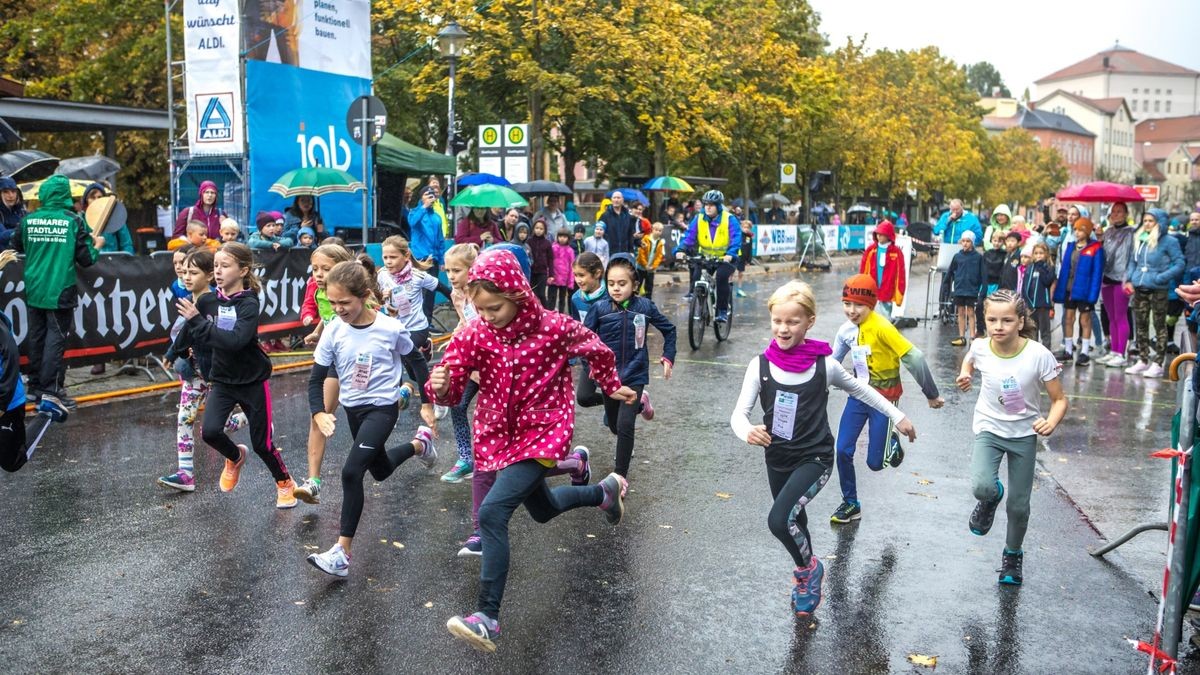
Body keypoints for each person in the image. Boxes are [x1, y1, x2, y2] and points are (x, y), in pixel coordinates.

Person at [429, 249, 637, 653]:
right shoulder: (474, 332)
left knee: (491, 512)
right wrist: (441, 387)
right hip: (496, 436)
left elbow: (597, 349)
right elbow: (452, 386)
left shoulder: (553, 327)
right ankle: (603, 492)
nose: (488, 315)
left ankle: (487, 616)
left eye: (495, 307)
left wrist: (610, 384)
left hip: (543, 433)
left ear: (519, 294)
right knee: (542, 510)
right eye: (481, 308)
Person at [730, 280, 917, 616]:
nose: (783, 329)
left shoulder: (824, 365)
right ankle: (807, 575)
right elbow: (738, 414)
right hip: (777, 457)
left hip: (815, 458)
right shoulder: (759, 366)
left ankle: (808, 571)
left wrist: (898, 415)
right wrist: (746, 431)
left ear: (810, 322)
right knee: (794, 519)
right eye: (777, 321)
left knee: (778, 520)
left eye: (792, 322)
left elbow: (864, 391)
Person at [305, 261, 436, 577]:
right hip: (353, 408)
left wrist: (427, 401)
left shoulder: (390, 328)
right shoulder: (334, 329)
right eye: (333, 302)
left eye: (344, 302)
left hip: (382, 407)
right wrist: (319, 413)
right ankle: (421, 445)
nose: (338, 309)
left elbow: (416, 361)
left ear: (363, 296)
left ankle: (342, 554)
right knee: (379, 469)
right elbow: (315, 379)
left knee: (352, 472)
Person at [174, 242, 297, 508]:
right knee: (209, 432)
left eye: (225, 266)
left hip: (252, 380)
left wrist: (197, 322)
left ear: (243, 270)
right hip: (222, 380)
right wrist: (176, 351)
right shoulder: (208, 300)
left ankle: (285, 482)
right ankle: (235, 456)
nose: (218, 271)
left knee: (262, 444)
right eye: (216, 266)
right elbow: (188, 332)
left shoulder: (249, 303)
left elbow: (235, 341)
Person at [958, 289, 1068, 586]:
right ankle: (991, 497)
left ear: (1020, 321)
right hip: (989, 428)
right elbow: (970, 359)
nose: (998, 326)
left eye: (1007, 320)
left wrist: (1052, 422)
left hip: (1024, 434)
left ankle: (1012, 556)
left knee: (1019, 506)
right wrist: (965, 373)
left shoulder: (1038, 355)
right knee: (981, 485)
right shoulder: (981, 347)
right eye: (992, 319)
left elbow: (1059, 399)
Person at [829, 275, 941, 523]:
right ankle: (850, 503)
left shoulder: (883, 328)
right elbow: (831, 363)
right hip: (859, 395)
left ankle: (892, 441)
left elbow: (916, 358)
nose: (852, 310)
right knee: (842, 450)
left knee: (875, 464)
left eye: (859, 305)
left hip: (885, 399)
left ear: (873, 304)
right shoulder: (845, 331)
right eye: (847, 303)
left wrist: (931, 394)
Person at [294, 245, 380, 505]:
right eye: (315, 268)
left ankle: (401, 393)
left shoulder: (357, 296)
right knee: (319, 414)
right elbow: (329, 317)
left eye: (326, 269)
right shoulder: (322, 293)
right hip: (333, 360)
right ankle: (313, 482)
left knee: (370, 412)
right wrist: (318, 332)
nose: (319, 275)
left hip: (361, 359)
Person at [157, 248, 249, 491]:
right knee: (184, 419)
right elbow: (186, 333)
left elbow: (223, 336)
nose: (186, 277)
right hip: (193, 373)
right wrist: (173, 353)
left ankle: (252, 417)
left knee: (215, 425)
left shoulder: (215, 303)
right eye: (184, 271)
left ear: (209, 276)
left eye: (193, 272)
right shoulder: (189, 300)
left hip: (217, 374)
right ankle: (186, 474)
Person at [13, 175, 103, 409]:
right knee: (55, 340)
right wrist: (97, 246)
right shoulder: (73, 220)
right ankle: (51, 390)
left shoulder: (28, 219)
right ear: (64, 194)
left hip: (34, 288)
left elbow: (17, 244)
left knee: (37, 337)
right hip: (60, 289)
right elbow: (86, 259)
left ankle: (34, 387)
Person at [583, 254, 676, 479]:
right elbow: (584, 339)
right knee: (614, 423)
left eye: (622, 284)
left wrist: (668, 356)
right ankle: (641, 405)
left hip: (635, 374)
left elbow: (670, 330)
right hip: (609, 377)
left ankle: (619, 478)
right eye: (611, 283)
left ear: (635, 285)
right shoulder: (600, 309)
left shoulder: (645, 306)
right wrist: (591, 366)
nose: (616, 289)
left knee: (625, 425)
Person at [377, 236, 440, 430]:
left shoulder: (418, 276)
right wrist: (382, 297)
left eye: (392, 257)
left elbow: (442, 288)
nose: (388, 261)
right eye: (385, 257)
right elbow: (376, 300)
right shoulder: (382, 275)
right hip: (394, 327)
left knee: (408, 357)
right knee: (412, 370)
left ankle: (426, 403)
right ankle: (433, 387)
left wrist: (461, 303)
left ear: (406, 256)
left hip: (417, 327)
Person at [0, 305, 69, 473]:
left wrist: (2, 402)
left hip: (8, 401)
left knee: (12, 462)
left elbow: (11, 355)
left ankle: (47, 413)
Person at [1124, 209, 1184, 379]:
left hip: (1158, 288)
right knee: (1140, 325)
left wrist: (1161, 277)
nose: (1147, 224)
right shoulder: (1139, 238)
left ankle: (1158, 362)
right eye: (1145, 220)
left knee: (1159, 325)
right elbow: (1132, 261)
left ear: (1160, 223)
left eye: (1151, 220)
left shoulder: (1169, 241)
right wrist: (1130, 278)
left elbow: (1179, 263)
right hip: (1140, 287)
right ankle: (1143, 359)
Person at [442, 243, 481, 485]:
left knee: (500, 412)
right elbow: (466, 321)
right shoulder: (457, 295)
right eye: (447, 271)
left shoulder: (483, 292)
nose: (451, 276)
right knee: (457, 404)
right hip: (471, 360)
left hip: (493, 361)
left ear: (471, 269)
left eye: (456, 270)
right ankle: (466, 458)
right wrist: (454, 337)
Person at [674, 189, 742, 324]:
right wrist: (681, 249)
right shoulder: (699, 218)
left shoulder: (729, 219)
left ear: (718, 206)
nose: (708, 207)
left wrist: (730, 254)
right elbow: (689, 236)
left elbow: (736, 239)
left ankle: (722, 310)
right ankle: (700, 302)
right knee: (696, 275)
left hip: (727, 258)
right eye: (706, 204)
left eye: (712, 204)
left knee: (722, 278)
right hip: (706, 257)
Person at [1052, 217, 1104, 366]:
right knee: (1068, 318)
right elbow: (1064, 270)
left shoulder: (1095, 248)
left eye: (1081, 229)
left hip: (1085, 291)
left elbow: (1097, 273)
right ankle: (1068, 350)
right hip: (1069, 289)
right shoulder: (1071, 246)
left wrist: (1093, 294)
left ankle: (1084, 352)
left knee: (1085, 320)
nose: (1077, 232)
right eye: (1075, 229)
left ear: (1087, 231)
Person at [1095, 202, 1135, 368]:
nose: (1116, 214)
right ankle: (1113, 350)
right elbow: (1103, 254)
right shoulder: (1108, 232)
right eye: (1113, 212)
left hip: (1122, 279)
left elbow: (1133, 257)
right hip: (1107, 278)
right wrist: (1099, 239)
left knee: (1121, 316)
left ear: (1126, 214)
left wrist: (1130, 278)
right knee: (1111, 317)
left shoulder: (1132, 233)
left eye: (1119, 211)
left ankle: (1121, 353)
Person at [406, 186, 447, 320]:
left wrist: (441, 260)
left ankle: (428, 321)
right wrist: (424, 207)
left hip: (433, 258)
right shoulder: (414, 212)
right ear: (421, 197)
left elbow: (440, 239)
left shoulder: (436, 217)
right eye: (427, 194)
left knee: (431, 292)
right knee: (417, 291)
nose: (430, 196)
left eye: (432, 194)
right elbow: (412, 223)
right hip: (419, 259)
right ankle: (418, 321)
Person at [858, 220, 906, 318]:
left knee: (886, 315)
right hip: (872, 287)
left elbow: (901, 273)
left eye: (882, 234)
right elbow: (863, 269)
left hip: (888, 288)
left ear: (888, 235)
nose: (879, 236)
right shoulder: (871, 250)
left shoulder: (897, 252)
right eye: (877, 233)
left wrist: (900, 292)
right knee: (870, 313)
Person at [947, 231, 984, 346]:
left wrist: (982, 291)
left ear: (972, 243)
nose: (965, 243)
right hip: (959, 288)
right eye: (963, 241)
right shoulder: (957, 256)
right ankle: (962, 336)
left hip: (972, 289)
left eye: (968, 241)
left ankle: (972, 336)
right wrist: (947, 286)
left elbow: (983, 275)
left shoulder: (978, 257)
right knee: (960, 312)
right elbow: (950, 272)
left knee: (971, 312)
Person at [1021, 242, 1055, 349]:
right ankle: (1034, 353)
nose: (1038, 256)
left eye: (1041, 253)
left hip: (1043, 305)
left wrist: (1041, 267)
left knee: (1045, 331)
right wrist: (1026, 302)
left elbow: (1047, 281)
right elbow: (1025, 286)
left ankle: (1046, 353)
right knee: (1032, 331)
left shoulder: (1049, 267)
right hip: (1031, 306)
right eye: (1036, 253)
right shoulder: (1030, 268)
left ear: (1046, 254)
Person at [83, 183, 133, 254]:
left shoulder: (115, 218)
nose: (96, 200)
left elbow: (126, 244)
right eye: (92, 197)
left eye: (99, 197)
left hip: (113, 262)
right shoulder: (81, 220)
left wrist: (127, 261)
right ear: (86, 200)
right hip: (91, 262)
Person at [599, 190, 638, 256]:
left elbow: (631, 234)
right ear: (611, 200)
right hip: (609, 252)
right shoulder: (605, 216)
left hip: (625, 252)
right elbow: (600, 233)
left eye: (618, 198)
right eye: (614, 198)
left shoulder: (628, 216)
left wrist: (631, 250)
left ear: (622, 200)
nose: (616, 200)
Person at [527, 218, 554, 308]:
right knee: (533, 294)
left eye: (541, 229)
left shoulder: (547, 243)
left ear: (544, 231)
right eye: (537, 228)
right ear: (533, 229)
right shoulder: (529, 241)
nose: (538, 230)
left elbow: (550, 259)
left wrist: (551, 274)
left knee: (542, 294)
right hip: (531, 271)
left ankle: (547, 311)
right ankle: (535, 310)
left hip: (542, 272)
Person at [636, 221, 666, 300]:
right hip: (641, 267)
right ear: (652, 229)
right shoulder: (646, 239)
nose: (658, 232)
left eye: (660, 231)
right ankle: (634, 300)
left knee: (649, 286)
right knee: (637, 284)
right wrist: (645, 264)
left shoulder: (660, 243)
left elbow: (659, 256)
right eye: (656, 230)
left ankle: (648, 301)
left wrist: (654, 266)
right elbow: (641, 253)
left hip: (651, 269)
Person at [549, 228, 576, 314]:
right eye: (560, 236)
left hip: (564, 280)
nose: (562, 238)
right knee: (551, 298)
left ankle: (561, 316)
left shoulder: (570, 251)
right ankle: (550, 314)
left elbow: (572, 267)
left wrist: (571, 282)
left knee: (562, 299)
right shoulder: (553, 248)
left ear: (568, 238)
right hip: (554, 278)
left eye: (565, 237)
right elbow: (549, 263)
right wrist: (549, 275)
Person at [0, 176, 26, 249]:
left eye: (13, 191)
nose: (11, 196)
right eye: (6, 192)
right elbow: (1, 238)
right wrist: (23, 228)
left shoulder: (22, 212)